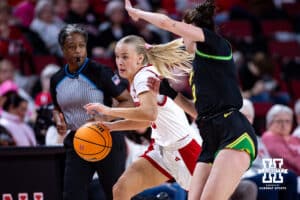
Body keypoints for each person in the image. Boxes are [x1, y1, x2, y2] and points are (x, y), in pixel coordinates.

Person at [124, 1, 258, 199]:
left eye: (183, 30)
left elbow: (168, 23)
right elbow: (199, 113)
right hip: (210, 138)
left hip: (234, 133)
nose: (180, 36)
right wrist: (170, 93)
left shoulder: (216, 45)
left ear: (192, 29)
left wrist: (137, 13)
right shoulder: (200, 66)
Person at [84, 34, 201, 200]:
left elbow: (148, 113)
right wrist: (110, 127)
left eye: (125, 57)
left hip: (183, 150)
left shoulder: (143, 78)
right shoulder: (140, 76)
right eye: (117, 56)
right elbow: (146, 120)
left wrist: (109, 111)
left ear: (139, 59)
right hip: (161, 149)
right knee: (121, 190)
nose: (119, 62)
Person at [50, 24, 134, 200]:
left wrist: (104, 115)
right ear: (63, 50)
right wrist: (59, 120)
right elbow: (58, 109)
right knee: (72, 195)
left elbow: (129, 101)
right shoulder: (56, 79)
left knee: (116, 194)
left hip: (106, 137)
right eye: (72, 47)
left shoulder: (100, 71)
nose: (78, 51)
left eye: (81, 46)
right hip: (78, 140)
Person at [240, 99, 298, 200]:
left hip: (262, 173)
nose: (245, 120)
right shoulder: (230, 137)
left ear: (252, 119)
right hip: (245, 175)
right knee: (270, 181)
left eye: (248, 116)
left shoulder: (256, 139)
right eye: (241, 116)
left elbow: (268, 162)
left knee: (290, 176)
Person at [261, 104, 300, 175]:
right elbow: (288, 160)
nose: (284, 125)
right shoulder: (269, 137)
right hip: (284, 176)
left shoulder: (295, 138)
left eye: (287, 121)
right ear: (269, 123)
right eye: (279, 121)